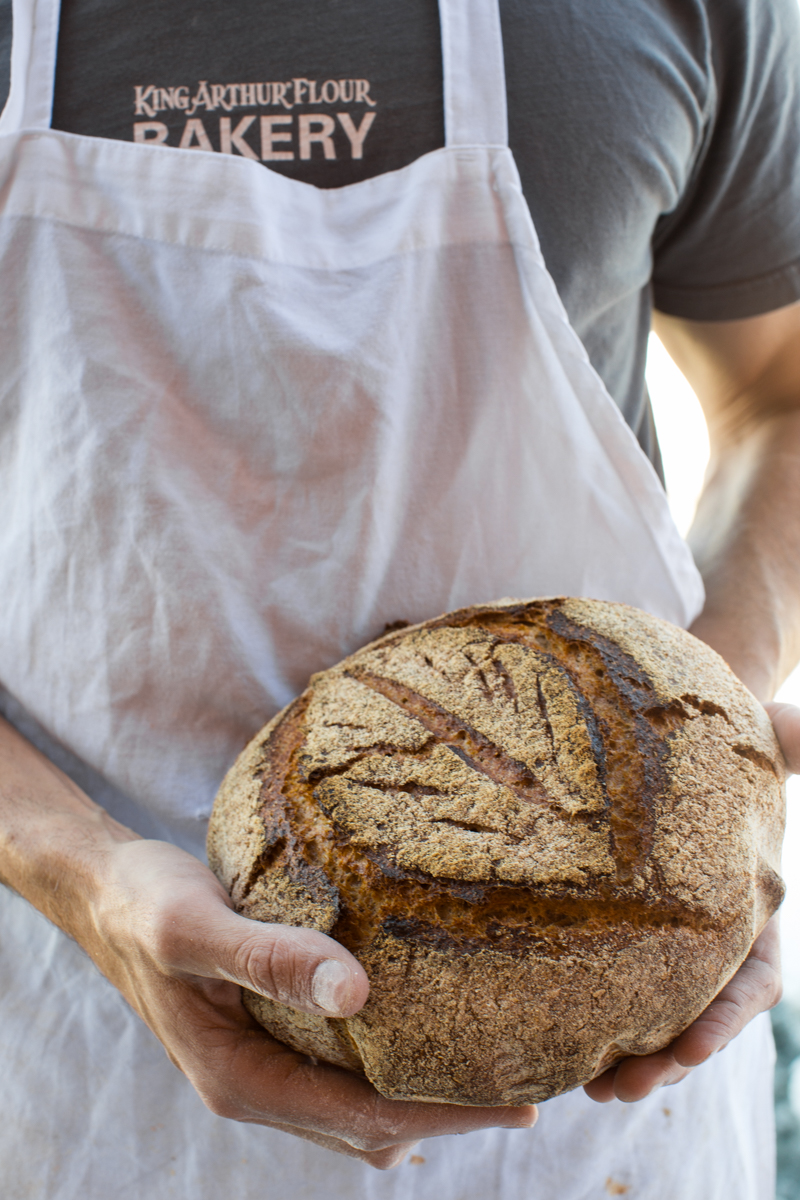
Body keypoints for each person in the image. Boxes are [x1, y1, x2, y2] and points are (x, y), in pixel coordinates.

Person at [1, 0, 800, 1196]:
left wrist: (707, 729)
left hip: (606, 1119)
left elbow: (776, 397)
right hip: (86, 1054)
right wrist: (76, 869)